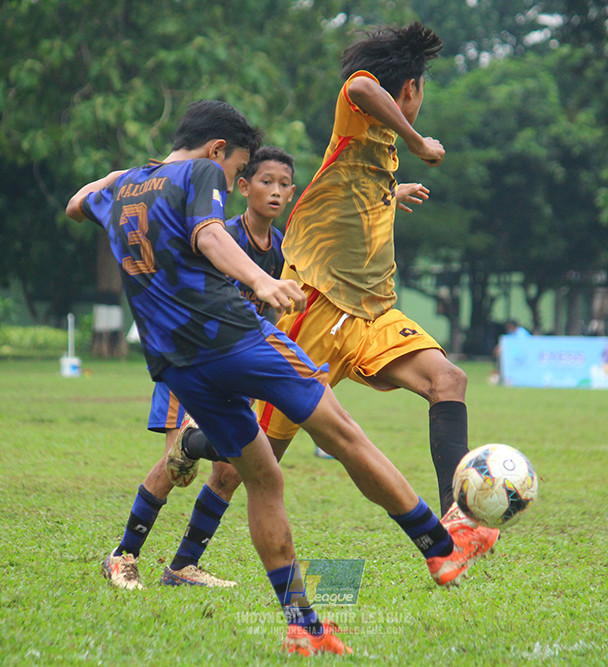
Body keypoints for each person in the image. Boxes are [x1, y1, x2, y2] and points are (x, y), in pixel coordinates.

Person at [66, 100, 498, 656]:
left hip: (178, 363)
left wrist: (121, 178)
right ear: (218, 150)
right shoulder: (200, 171)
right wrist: (260, 283)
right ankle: (440, 547)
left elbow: (79, 204)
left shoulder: (125, 187)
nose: (234, 183)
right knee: (342, 432)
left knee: (264, 478)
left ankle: (303, 625)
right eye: (237, 171)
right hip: (234, 338)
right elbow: (208, 236)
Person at [253, 22, 471, 518]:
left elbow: (352, 200)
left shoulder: (382, 152)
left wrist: (393, 194)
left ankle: (458, 516)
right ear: (411, 88)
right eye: (422, 90)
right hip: (317, 312)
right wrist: (418, 141)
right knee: (255, 458)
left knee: (448, 380)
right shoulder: (358, 116)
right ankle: (188, 546)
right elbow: (360, 84)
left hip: (372, 316)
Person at [103, 146, 295, 591]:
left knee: (231, 470)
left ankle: (183, 566)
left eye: (285, 184)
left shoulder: (282, 249)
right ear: (243, 187)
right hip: (192, 363)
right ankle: (123, 555)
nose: (276, 192)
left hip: (234, 368)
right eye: (266, 181)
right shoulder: (219, 236)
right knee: (179, 466)